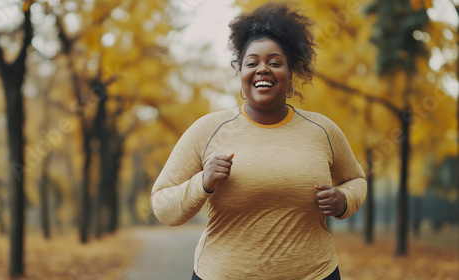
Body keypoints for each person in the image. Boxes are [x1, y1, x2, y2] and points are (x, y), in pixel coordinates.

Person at [150, 2, 367, 279]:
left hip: (315, 274)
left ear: (290, 76)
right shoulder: (208, 130)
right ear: (241, 75)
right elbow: (162, 205)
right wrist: (202, 182)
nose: (262, 69)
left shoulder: (322, 130)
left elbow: (357, 180)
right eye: (252, 63)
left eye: (274, 63)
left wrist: (344, 199)